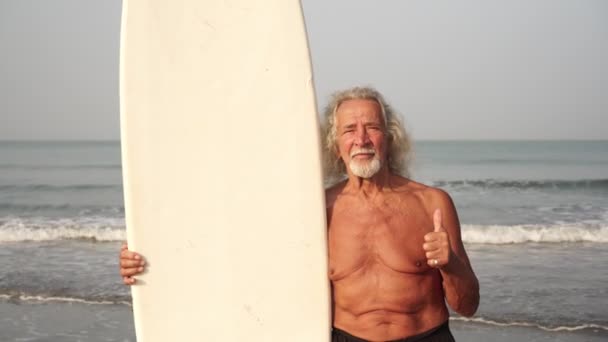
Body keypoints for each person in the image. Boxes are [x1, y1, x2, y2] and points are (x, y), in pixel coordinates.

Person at [119, 86, 479, 342]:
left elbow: (467, 306)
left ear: (389, 137)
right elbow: (235, 257)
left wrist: (450, 264)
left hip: (425, 337)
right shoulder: (315, 211)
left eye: (372, 127)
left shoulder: (431, 203)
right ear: (335, 145)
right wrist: (150, 258)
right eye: (349, 130)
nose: (362, 139)